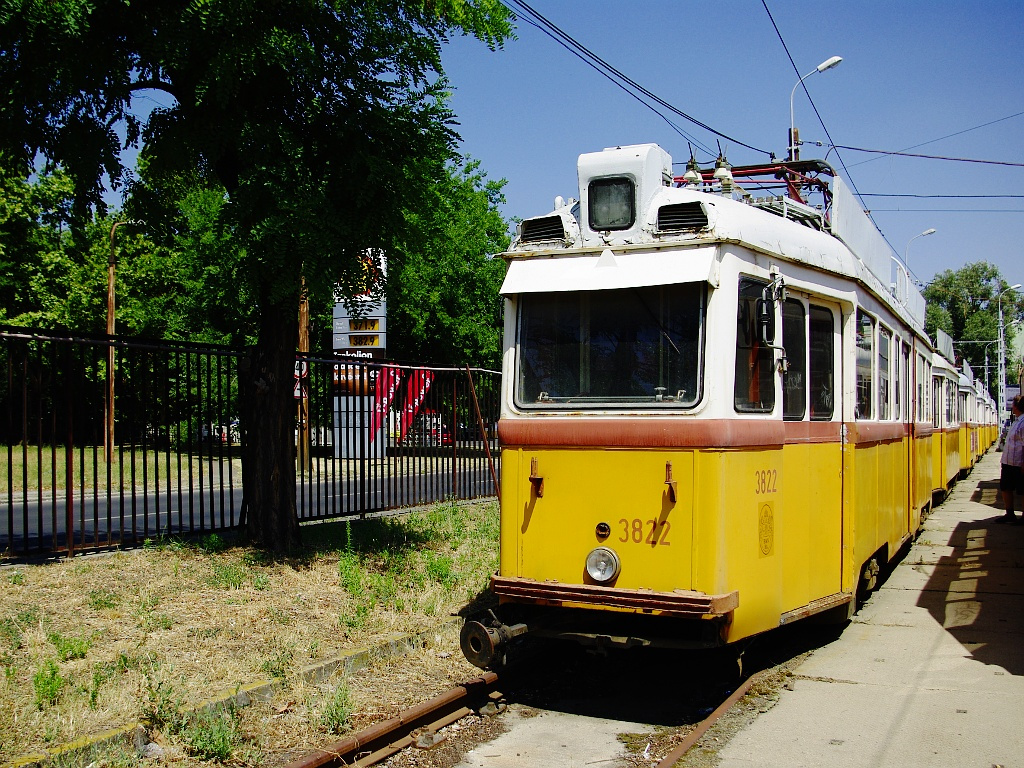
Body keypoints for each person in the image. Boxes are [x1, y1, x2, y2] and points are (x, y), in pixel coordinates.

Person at [998, 394, 1024, 523]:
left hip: (1018, 462)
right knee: (1006, 487)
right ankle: (1009, 513)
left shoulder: (1023, 423)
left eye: (1013, 405)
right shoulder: (1017, 421)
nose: (1012, 407)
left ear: (1017, 407)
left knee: (1022, 490)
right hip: (1008, 461)